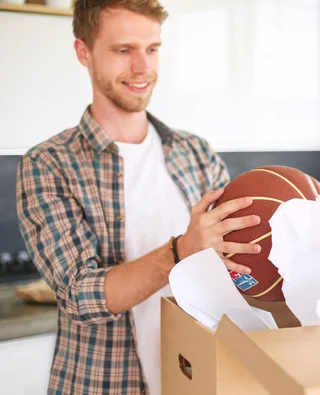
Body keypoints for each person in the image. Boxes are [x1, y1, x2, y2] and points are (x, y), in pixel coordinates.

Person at [15, 1, 261, 394]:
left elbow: (235, 266)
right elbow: (79, 295)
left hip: (195, 380)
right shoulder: (49, 164)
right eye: (123, 50)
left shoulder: (194, 152)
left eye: (152, 49)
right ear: (84, 52)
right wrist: (181, 250)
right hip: (103, 384)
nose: (143, 68)